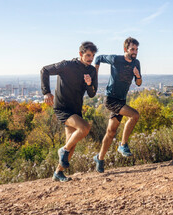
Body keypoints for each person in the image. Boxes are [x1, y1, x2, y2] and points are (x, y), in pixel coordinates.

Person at [40, 41, 98, 182]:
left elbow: (92, 94)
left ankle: (58, 173)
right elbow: (44, 70)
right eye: (88, 55)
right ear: (80, 54)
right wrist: (46, 92)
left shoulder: (91, 71)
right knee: (84, 127)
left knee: (71, 144)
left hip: (76, 108)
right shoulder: (67, 65)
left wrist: (90, 84)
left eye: (93, 56)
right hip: (62, 107)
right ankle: (63, 150)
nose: (91, 58)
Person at [93, 37, 142, 173]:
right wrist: (95, 74)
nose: (135, 52)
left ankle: (99, 158)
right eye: (132, 49)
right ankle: (123, 145)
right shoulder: (116, 59)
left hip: (121, 100)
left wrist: (137, 76)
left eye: (137, 49)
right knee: (134, 115)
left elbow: (139, 83)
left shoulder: (136, 63)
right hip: (111, 99)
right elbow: (98, 58)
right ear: (125, 49)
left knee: (111, 132)